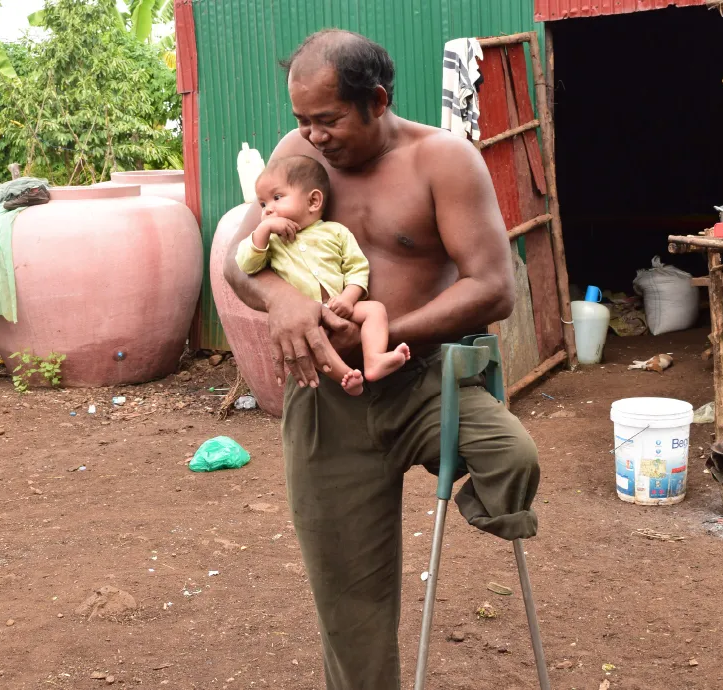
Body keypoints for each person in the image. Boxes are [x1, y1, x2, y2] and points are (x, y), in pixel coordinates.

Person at [224, 29, 540, 690]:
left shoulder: (443, 160)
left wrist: (383, 333)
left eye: (328, 119)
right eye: (302, 120)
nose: (313, 136)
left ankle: (478, 505)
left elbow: (493, 288)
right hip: (327, 398)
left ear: (377, 99)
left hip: (421, 381)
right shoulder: (296, 159)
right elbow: (240, 263)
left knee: (513, 458)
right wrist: (281, 301)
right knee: (352, 612)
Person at [235, 155, 411, 395]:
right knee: (310, 337)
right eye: (263, 204)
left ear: (313, 201)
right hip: (308, 316)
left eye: (277, 198)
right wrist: (263, 230)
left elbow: (357, 269)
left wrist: (349, 298)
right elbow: (247, 265)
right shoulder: (272, 241)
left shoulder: (336, 232)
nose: (268, 210)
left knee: (375, 310)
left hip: (338, 305)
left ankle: (374, 359)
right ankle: (345, 377)